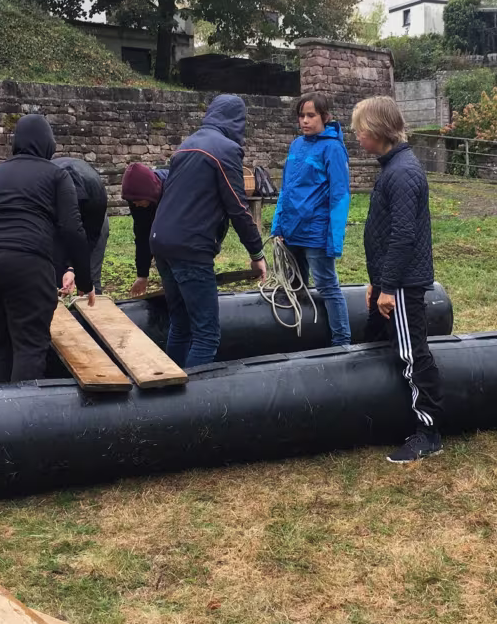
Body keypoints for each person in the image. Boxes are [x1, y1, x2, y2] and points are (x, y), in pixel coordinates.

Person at [0, 114, 95, 384]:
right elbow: (72, 229)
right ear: (48, 144)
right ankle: (20, 423)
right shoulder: (56, 175)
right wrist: (85, 279)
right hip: (24, 263)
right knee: (30, 345)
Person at [353, 95, 444, 463]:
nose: (357, 136)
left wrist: (390, 286)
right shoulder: (393, 167)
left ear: (378, 130)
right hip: (391, 281)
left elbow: (403, 235)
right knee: (381, 343)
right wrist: (377, 281)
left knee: (412, 353)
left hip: (404, 284)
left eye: (360, 129)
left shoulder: (403, 172)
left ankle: (429, 432)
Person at [150, 94, 268, 367]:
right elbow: (238, 206)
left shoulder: (186, 145)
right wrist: (257, 252)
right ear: (238, 121)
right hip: (191, 247)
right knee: (207, 335)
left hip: (161, 241)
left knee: (180, 324)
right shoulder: (225, 150)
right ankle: (192, 405)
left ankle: (168, 392)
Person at [270, 92, 352, 347]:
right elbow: (286, 189)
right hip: (291, 231)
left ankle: (342, 341)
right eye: (301, 115)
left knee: (328, 287)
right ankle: (302, 337)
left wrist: (334, 240)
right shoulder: (296, 145)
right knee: (294, 286)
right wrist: (277, 225)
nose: (305, 120)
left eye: (311, 115)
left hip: (316, 233)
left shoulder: (333, 148)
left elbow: (340, 196)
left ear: (325, 117)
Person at [54, 156, 108, 295]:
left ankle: (91, 300)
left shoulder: (95, 195)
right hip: (54, 217)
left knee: (90, 273)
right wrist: (64, 270)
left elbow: (90, 237)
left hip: (92, 218)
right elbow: (49, 239)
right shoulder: (45, 190)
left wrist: (78, 272)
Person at [120, 162, 168, 298]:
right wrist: (142, 274)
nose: (135, 204)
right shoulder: (137, 201)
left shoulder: (173, 188)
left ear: (149, 193)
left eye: (137, 200)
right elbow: (142, 235)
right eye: (131, 201)